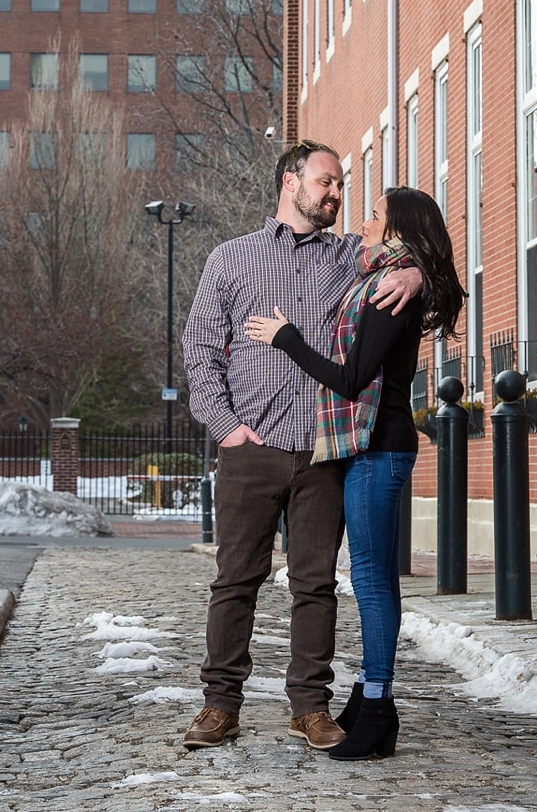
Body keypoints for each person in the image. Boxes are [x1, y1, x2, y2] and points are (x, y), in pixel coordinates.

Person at [179, 140, 421, 753]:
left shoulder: (352, 261)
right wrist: (227, 428)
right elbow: (200, 353)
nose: (336, 193)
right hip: (250, 448)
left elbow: (430, 269)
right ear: (291, 183)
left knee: (315, 584)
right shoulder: (231, 260)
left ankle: (310, 707)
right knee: (236, 579)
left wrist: (415, 270)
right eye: (326, 181)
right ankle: (220, 704)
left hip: (324, 454)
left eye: (340, 184)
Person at [244, 185, 465, 760]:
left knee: (371, 580)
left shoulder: (393, 286)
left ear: (397, 230)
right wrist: (418, 270)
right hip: (365, 448)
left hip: (379, 448)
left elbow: (351, 377)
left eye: (375, 214)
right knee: (368, 577)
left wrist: (285, 337)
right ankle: (366, 702)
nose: (362, 220)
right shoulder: (382, 275)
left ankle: (378, 708)